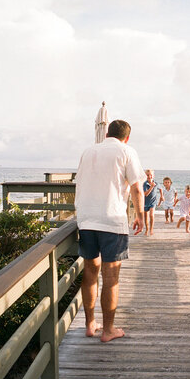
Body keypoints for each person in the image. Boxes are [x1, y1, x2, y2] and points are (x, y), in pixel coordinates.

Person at [75, 119, 146, 343]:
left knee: (90, 272)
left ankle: (89, 324)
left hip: (86, 219)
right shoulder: (126, 151)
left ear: (107, 133)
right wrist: (140, 216)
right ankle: (108, 330)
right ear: (127, 137)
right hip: (111, 220)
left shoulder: (88, 151)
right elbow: (136, 186)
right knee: (111, 276)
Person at [143, 169, 163, 236]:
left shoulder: (156, 183)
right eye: (148, 175)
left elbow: (160, 188)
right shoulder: (144, 184)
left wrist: (161, 196)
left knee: (151, 215)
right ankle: (147, 229)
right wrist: (151, 187)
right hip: (145, 203)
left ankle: (151, 229)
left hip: (153, 202)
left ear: (153, 176)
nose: (149, 176)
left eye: (151, 175)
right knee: (146, 217)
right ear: (145, 176)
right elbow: (145, 194)